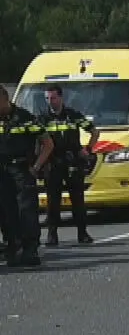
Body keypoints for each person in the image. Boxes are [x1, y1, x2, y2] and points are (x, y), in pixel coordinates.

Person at [0, 89, 53, 268]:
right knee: (7, 211)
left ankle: (30, 249)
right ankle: (13, 246)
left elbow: (48, 144)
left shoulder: (25, 118)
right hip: (3, 172)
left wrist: (36, 167)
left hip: (22, 170)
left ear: (5, 100)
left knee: (27, 210)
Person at [41, 83, 98, 246]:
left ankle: (82, 233)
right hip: (53, 162)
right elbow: (36, 139)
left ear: (60, 97)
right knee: (53, 201)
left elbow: (94, 131)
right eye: (47, 98)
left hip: (73, 161)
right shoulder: (43, 118)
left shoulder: (72, 115)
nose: (50, 101)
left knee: (78, 199)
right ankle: (52, 235)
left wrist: (87, 150)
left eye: (53, 98)